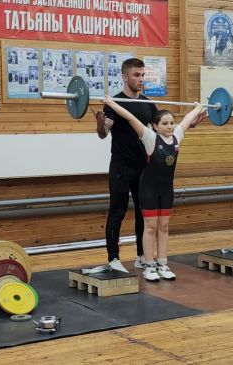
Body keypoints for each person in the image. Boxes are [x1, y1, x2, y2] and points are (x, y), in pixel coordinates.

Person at [101, 97, 207, 281]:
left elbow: (188, 119)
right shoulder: (150, 138)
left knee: (164, 227)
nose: (170, 126)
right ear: (155, 126)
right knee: (150, 227)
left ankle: (162, 263)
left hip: (166, 190)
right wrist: (111, 104)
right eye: (165, 123)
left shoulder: (177, 136)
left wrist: (198, 108)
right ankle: (149, 265)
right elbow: (130, 118)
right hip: (148, 189)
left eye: (172, 123)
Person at [93, 58, 159, 272]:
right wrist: (100, 124)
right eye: (136, 75)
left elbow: (162, 131)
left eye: (142, 75)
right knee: (117, 211)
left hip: (143, 168)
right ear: (124, 77)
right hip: (121, 167)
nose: (141, 79)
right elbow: (104, 133)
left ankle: (141, 256)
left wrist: (190, 125)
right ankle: (113, 258)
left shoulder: (148, 104)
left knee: (143, 213)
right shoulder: (114, 103)